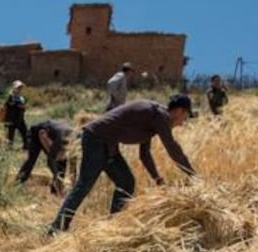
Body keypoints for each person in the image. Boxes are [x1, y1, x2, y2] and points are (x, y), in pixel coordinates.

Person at [49, 95, 197, 233]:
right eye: (185, 117)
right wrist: (193, 175)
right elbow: (173, 148)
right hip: (96, 140)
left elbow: (144, 155)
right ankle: (57, 227)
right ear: (178, 111)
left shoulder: (153, 119)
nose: (183, 123)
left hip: (108, 145)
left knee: (126, 182)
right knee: (84, 185)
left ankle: (111, 226)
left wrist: (157, 178)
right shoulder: (160, 116)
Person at [15, 119, 72, 196]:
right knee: (31, 160)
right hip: (36, 132)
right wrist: (56, 176)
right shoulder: (61, 139)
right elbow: (50, 159)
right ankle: (17, 184)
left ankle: (55, 191)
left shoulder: (74, 139)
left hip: (49, 133)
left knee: (62, 161)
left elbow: (72, 161)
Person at [1, 80, 28, 149]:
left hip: (20, 118)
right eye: (18, 87)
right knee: (11, 134)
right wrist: (16, 105)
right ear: (14, 88)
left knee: (25, 132)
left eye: (21, 87)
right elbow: (7, 105)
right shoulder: (11, 96)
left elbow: (23, 106)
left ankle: (26, 146)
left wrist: (23, 107)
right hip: (12, 118)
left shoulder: (21, 97)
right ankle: (9, 147)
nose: (20, 89)